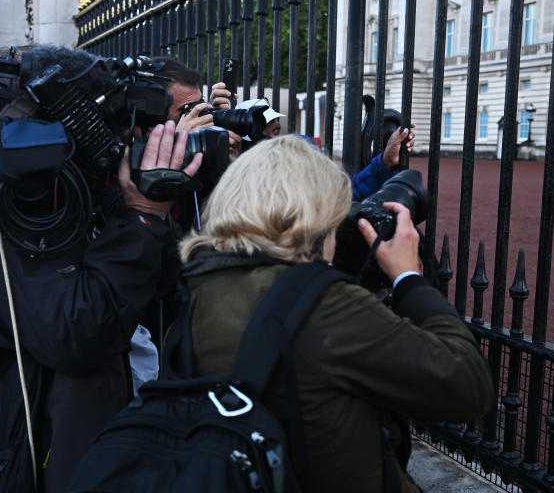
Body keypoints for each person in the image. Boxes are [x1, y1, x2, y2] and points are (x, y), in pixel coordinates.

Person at [176, 135, 494, 493]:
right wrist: (408, 278)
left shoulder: (198, 281)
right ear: (315, 218)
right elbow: (468, 384)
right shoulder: (323, 306)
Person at [0, 45, 202, 492]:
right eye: (151, 120)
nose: (158, 133)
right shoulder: (28, 204)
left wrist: (151, 210)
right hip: (36, 452)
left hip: (94, 438)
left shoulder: (92, 188)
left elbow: (159, 290)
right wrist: (142, 215)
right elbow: (75, 334)